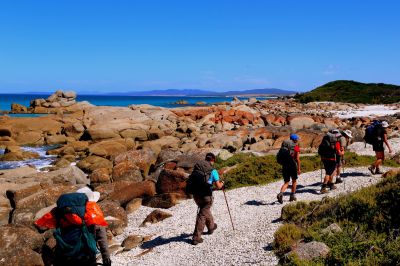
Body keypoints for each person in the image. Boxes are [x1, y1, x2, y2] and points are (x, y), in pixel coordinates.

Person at [35, 186, 111, 266]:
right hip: (86, 256)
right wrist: (106, 257)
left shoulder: (62, 211)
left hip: (64, 256)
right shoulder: (91, 213)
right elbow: (102, 237)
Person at [191, 153, 225, 245]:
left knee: (205, 210)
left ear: (205, 159)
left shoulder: (197, 168)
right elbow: (218, 186)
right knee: (202, 214)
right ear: (213, 160)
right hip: (206, 195)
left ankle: (211, 227)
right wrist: (222, 184)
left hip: (196, 195)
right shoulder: (213, 171)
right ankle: (196, 237)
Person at [277, 134, 301, 204]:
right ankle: (292, 195)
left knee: (286, 182)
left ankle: (281, 193)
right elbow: (297, 159)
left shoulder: (284, 146)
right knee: (294, 180)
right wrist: (299, 168)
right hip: (292, 165)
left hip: (284, 165)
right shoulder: (295, 147)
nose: (297, 140)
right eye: (297, 139)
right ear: (295, 140)